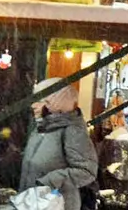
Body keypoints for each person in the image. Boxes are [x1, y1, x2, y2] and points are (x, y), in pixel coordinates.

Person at [20, 79, 98, 210]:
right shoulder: (41, 127)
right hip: (34, 203)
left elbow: (87, 171)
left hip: (57, 204)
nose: (33, 105)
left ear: (57, 104)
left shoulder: (72, 131)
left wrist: (50, 181)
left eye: (40, 101)